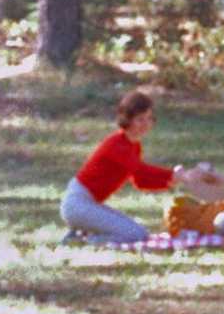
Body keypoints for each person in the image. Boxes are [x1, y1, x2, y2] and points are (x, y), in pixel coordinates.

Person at [61, 91, 212, 243]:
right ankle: (82, 240)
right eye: (140, 119)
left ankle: (80, 234)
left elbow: (140, 181)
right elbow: (140, 169)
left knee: (139, 233)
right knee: (135, 235)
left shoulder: (134, 146)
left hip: (87, 205)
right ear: (127, 119)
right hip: (78, 204)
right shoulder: (116, 144)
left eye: (149, 118)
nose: (146, 124)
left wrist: (170, 182)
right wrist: (175, 175)